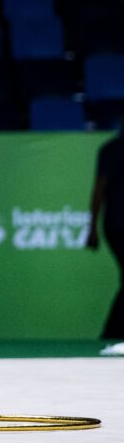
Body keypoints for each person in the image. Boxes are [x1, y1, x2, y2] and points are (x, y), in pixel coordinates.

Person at [88, 126, 124, 339]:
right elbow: (98, 190)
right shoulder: (110, 150)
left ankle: (112, 333)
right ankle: (111, 334)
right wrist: (91, 229)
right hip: (118, 226)